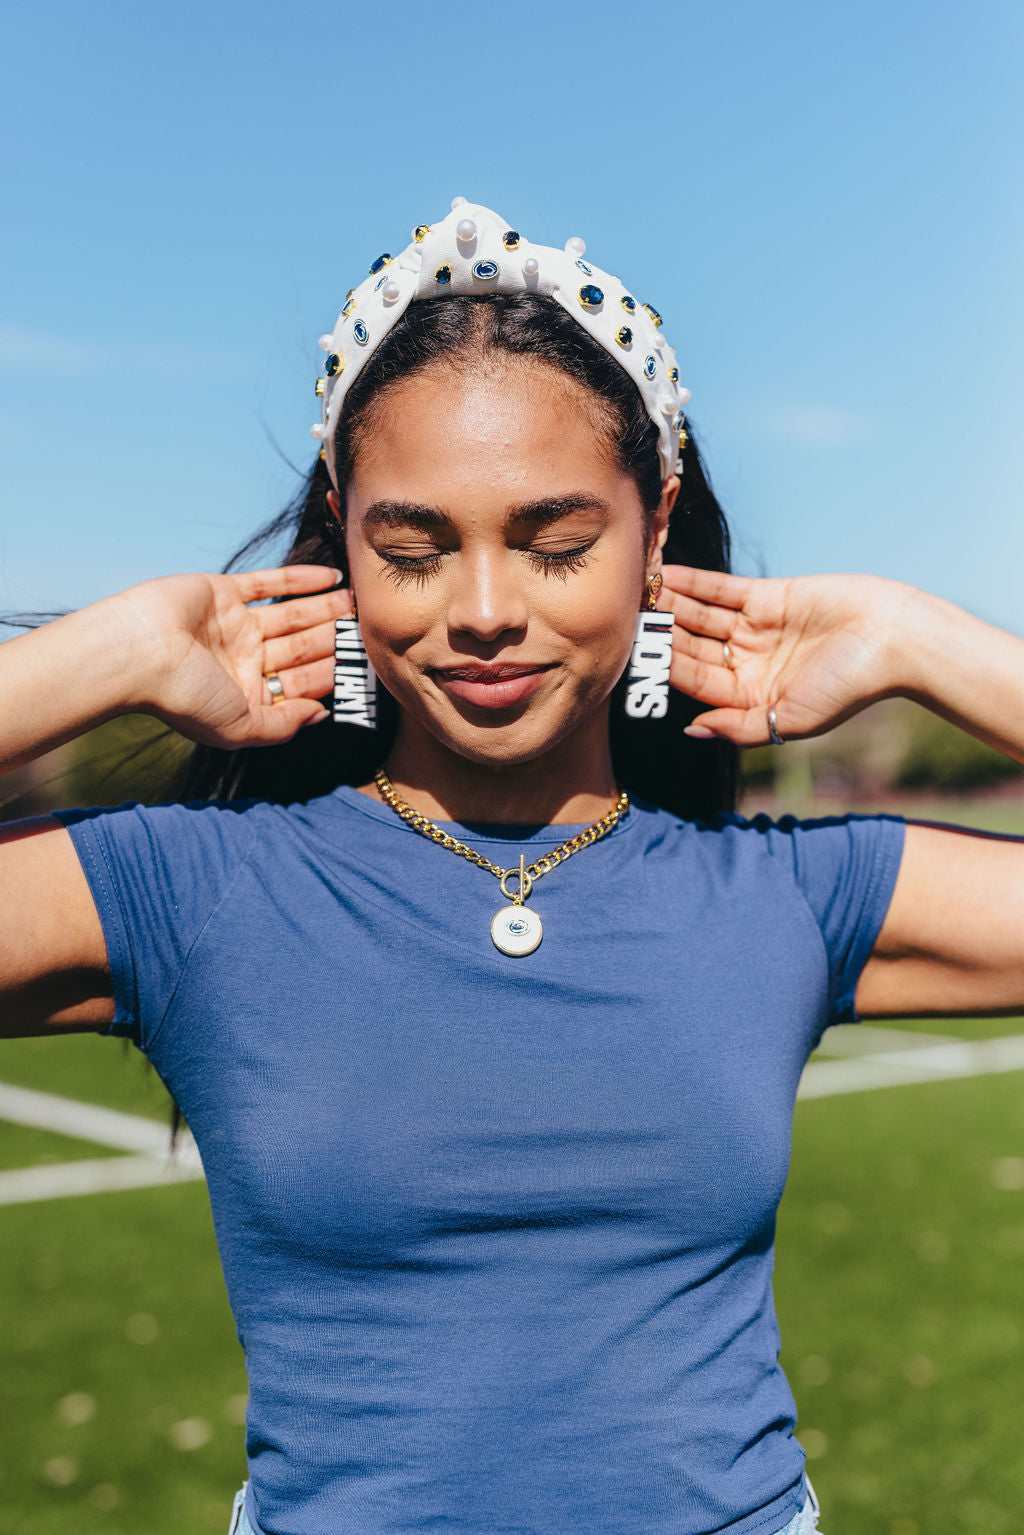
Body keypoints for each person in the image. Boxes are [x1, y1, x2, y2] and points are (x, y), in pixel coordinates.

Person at [2, 198, 1023, 1535]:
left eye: (557, 543)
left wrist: (923, 641)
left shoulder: (780, 898)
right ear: (341, 530)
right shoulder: (192, 892)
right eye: (412, 548)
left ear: (654, 528)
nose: (484, 610)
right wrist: (101, 661)